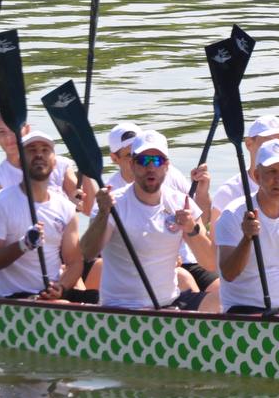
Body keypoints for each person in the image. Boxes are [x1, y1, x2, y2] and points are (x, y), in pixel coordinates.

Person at [81, 130, 215, 311]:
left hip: (169, 303)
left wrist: (191, 229)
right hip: (121, 307)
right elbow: (88, 253)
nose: (151, 168)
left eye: (157, 161)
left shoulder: (180, 202)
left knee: (221, 301)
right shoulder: (113, 203)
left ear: (166, 166)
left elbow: (211, 263)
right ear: (132, 164)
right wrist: (104, 214)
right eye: (144, 161)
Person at [0, 130, 86, 301]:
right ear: (20, 160)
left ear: (54, 162)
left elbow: (74, 262)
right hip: (13, 299)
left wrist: (62, 287)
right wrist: (23, 245)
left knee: (94, 298)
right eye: (32, 150)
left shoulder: (65, 208)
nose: (39, 155)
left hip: (51, 296)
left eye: (45, 150)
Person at [214, 139, 279, 315]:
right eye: (271, 171)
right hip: (243, 311)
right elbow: (229, 274)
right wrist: (247, 239)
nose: (278, 179)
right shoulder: (232, 214)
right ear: (256, 176)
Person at [0, 112, 89, 210]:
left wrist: (85, 165)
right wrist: (68, 207)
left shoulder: (59, 164)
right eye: (1, 132)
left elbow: (87, 209)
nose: (9, 137)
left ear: (27, 129)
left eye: (13, 129)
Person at [209, 115, 279, 221]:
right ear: (249, 144)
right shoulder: (228, 192)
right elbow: (215, 237)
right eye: (268, 143)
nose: (274, 150)